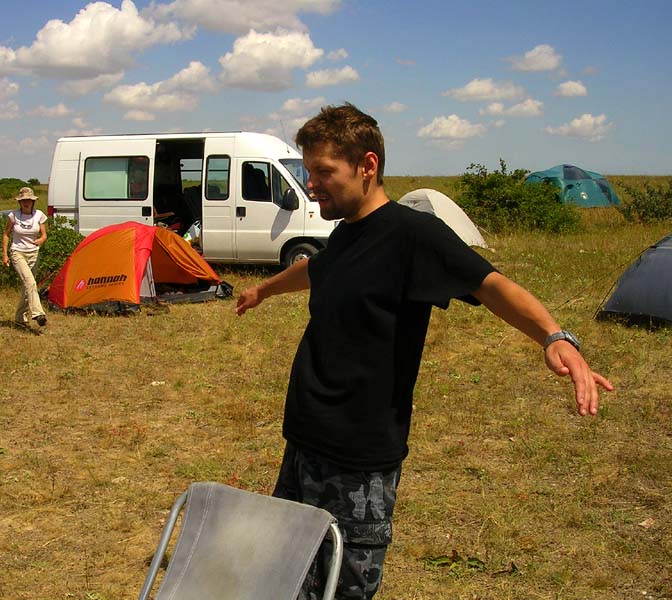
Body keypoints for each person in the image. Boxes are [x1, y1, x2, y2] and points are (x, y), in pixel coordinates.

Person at [235, 103, 613, 599]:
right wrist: (263, 290)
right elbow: (318, 268)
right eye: (310, 172)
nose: (312, 185)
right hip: (305, 440)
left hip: (358, 457)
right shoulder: (347, 234)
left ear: (367, 166)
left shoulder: (412, 234)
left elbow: (490, 284)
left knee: (344, 588)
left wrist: (555, 336)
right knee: (289, 571)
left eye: (324, 172)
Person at [2, 187, 48, 328]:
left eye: (28, 200)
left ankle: (20, 318)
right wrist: (4, 254)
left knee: (27, 286)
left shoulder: (39, 215)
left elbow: (44, 235)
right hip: (18, 252)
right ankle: (38, 314)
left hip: (33, 253)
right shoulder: (13, 216)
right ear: (19, 202)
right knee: (30, 282)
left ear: (33, 202)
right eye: (23, 200)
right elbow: (6, 234)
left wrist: (41, 240)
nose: (26, 203)